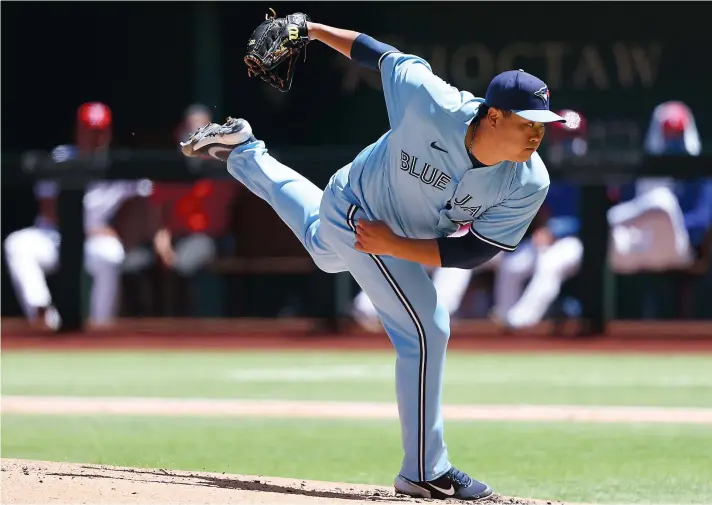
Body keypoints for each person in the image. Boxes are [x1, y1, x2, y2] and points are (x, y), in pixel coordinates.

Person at [180, 17, 565, 501]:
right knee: (427, 328)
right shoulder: (433, 101)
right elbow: (378, 54)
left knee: (324, 248)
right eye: (529, 124)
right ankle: (426, 468)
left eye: (544, 126)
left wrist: (396, 246)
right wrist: (310, 29)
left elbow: (475, 250)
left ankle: (245, 153)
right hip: (360, 207)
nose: (538, 136)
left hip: (391, 233)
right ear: (492, 117)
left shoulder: (529, 181)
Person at [4, 102, 149, 329]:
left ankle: (100, 326)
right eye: (89, 130)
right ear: (78, 131)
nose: (95, 137)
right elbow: (50, 212)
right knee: (17, 244)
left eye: (100, 131)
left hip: (93, 242)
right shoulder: (62, 157)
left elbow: (140, 202)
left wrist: (122, 232)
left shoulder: (118, 164)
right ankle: (43, 317)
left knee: (111, 253)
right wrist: (90, 228)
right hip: (54, 237)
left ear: (109, 132)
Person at [122, 104, 238, 316]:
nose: (196, 135)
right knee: (133, 263)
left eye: (202, 129)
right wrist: (161, 241)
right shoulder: (169, 169)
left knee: (183, 264)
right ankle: (139, 328)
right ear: (179, 133)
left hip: (208, 238)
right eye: (191, 129)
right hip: (172, 237)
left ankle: (185, 330)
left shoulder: (223, 165)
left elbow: (215, 223)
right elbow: (157, 215)